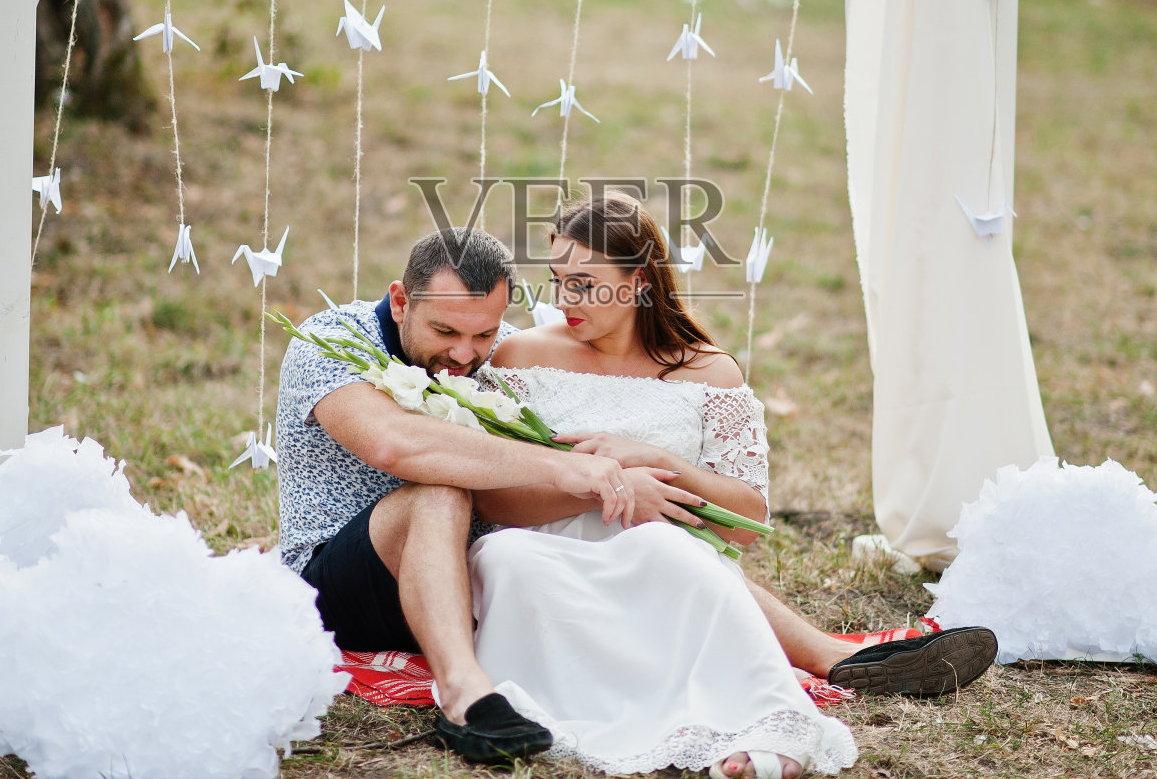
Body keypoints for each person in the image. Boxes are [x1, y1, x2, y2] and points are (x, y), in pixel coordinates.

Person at [463, 193, 994, 776]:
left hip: (660, 558)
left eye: (585, 285)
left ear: (639, 281)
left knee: (664, 547)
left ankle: (761, 717)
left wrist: (661, 461)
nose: (565, 300)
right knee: (505, 557)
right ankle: (819, 658)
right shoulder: (520, 357)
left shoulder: (708, 371)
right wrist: (606, 485)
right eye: (559, 281)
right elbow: (492, 501)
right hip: (545, 551)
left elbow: (746, 522)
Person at [274, 226, 709, 763]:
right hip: (344, 589)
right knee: (440, 492)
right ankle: (464, 698)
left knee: (637, 554)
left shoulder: (504, 354)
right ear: (401, 301)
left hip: (476, 581)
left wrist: (618, 481)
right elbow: (394, 445)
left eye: (484, 333)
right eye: (445, 330)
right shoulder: (332, 339)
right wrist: (564, 468)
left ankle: (789, 652)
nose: (464, 353)